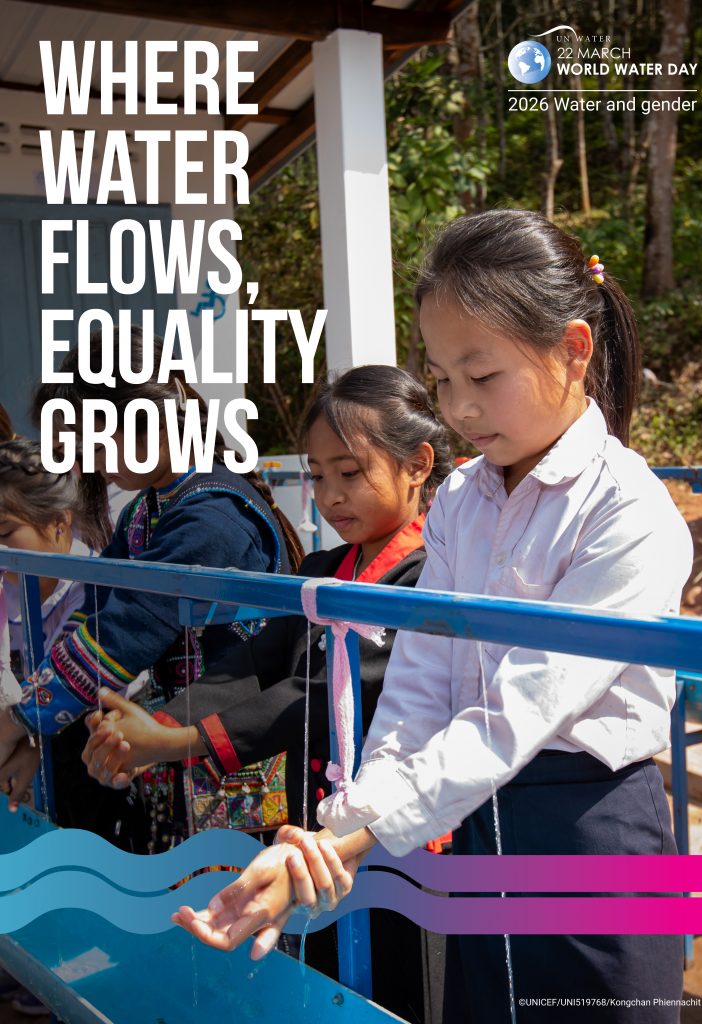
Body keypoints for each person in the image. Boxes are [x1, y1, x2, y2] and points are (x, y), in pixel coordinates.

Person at [172, 211, 694, 1023]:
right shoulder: (461, 498)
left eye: (482, 377)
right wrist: (339, 828)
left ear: (574, 349)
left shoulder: (628, 514)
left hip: (586, 833)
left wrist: (347, 841)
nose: (458, 408)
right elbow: (420, 681)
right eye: (443, 379)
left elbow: (515, 711)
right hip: (476, 827)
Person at [81, 364, 453, 1023]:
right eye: (317, 475)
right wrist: (157, 720)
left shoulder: (429, 574)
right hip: (318, 824)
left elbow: (317, 690)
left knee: (402, 985)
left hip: (398, 833)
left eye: (350, 472)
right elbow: (252, 666)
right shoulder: (321, 569)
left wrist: (181, 740)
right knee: (332, 974)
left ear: (417, 464)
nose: (330, 495)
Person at [0, 327, 303, 851]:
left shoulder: (210, 516)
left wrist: (21, 718)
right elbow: (95, 614)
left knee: (237, 915)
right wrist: (34, 726)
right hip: (176, 753)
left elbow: (124, 632)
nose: (90, 462)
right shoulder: (147, 509)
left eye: (92, 439)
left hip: (235, 762)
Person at [0, 431, 110, 1017]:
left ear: (60, 526)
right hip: (24, 753)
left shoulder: (96, 592)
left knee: (80, 871)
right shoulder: (8, 587)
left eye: (5, 538)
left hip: (83, 769)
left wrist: (33, 744)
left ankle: (79, 968)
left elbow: (91, 685)